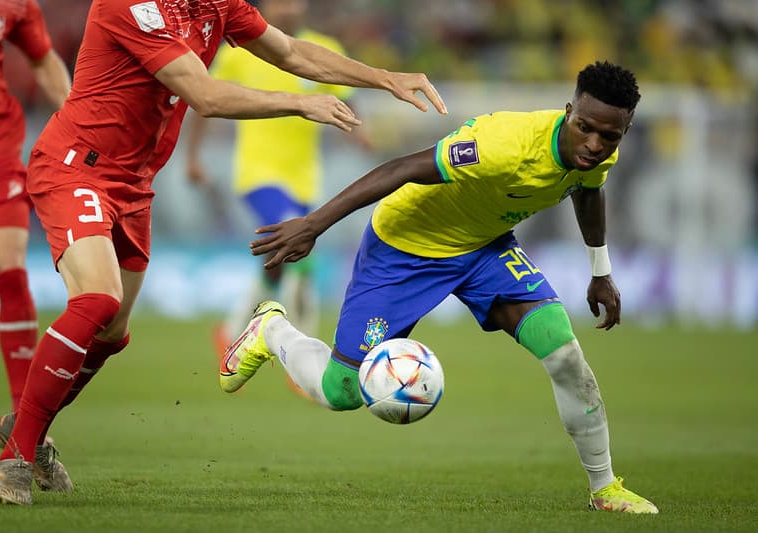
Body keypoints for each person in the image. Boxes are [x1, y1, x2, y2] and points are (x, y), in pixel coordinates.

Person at [0, 0, 446, 506]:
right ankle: (18, 456)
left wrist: (385, 77)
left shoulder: (218, 5)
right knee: (97, 301)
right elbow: (202, 95)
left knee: (113, 334)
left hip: (134, 185)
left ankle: (28, 421)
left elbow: (292, 52)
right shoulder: (128, 6)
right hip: (76, 168)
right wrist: (297, 103)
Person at [222, 61, 659, 514]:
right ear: (569, 111)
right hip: (405, 248)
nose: (594, 144)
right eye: (585, 128)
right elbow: (402, 168)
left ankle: (604, 488)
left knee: (563, 351)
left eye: (610, 136)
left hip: (483, 250)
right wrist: (313, 225)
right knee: (342, 392)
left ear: (623, 131)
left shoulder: (602, 150)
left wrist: (600, 270)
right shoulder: (503, 145)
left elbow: (588, 188)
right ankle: (271, 329)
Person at [186, 0, 370, 356]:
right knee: (297, 244)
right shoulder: (240, 51)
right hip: (257, 174)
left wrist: (359, 133)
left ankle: (230, 330)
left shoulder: (323, 49)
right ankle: (307, 354)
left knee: (279, 260)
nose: (289, 8)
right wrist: (193, 157)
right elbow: (203, 101)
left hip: (304, 177)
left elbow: (346, 95)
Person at [0, 2, 70, 418]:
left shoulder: (13, 4)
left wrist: (76, 117)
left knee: (10, 271)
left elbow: (43, 60)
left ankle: (25, 425)